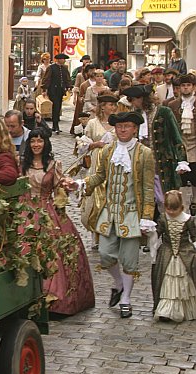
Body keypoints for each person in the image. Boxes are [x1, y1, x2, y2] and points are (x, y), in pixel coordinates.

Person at [65, 111, 156, 319]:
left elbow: (148, 188)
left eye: (127, 126)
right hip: (109, 213)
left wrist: (147, 216)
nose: (123, 130)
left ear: (135, 129)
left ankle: (126, 299)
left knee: (129, 260)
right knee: (105, 254)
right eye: (119, 126)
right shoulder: (108, 151)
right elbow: (99, 176)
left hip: (132, 213)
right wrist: (82, 183)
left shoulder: (145, 154)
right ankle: (118, 285)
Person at [21, 128, 95, 315]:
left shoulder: (53, 165)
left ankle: (53, 297)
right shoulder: (21, 164)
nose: (36, 144)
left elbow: (60, 185)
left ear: (45, 143)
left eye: (40, 141)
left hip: (48, 212)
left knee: (53, 253)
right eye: (33, 141)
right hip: (26, 213)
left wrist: (68, 185)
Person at [124, 84, 189, 210]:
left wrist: (181, 160)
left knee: (165, 200)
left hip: (163, 165)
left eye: (132, 99)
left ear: (141, 98)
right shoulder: (135, 115)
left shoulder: (164, 112)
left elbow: (176, 138)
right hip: (141, 165)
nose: (131, 103)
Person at [76, 92, 118, 245]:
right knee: (95, 196)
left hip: (113, 162)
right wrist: (95, 144)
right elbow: (82, 144)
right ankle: (95, 233)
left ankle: (109, 232)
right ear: (102, 107)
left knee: (110, 196)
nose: (113, 108)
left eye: (114, 105)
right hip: (96, 162)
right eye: (110, 105)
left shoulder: (117, 123)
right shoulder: (93, 123)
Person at [149, 190, 196, 322]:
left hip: (185, 253)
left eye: (174, 210)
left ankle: (183, 308)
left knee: (185, 281)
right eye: (168, 209)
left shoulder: (188, 220)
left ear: (181, 207)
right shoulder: (163, 218)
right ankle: (166, 310)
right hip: (167, 252)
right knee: (166, 280)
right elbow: (158, 233)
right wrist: (151, 233)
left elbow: (194, 236)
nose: (171, 212)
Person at [168, 73, 196, 214]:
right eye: (183, 86)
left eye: (188, 85)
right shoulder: (172, 105)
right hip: (179, 149)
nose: (185, 88)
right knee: (181, 183)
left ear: (193, 87)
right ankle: (182, 209)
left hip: (195, 148)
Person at [41, 53, 71, 133]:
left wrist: (68, 86)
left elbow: (67, 78)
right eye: (63, 59)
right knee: (56, 106)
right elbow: (46, 78)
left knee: (58, 107)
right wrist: (44, 89)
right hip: (53, 90)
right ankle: (55, 125)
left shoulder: (64, 68)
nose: (64, 61)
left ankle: (55, 125)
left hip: (60, 90)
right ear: (58, 59)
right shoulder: (51, 68)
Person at [71, 64, 97, 134]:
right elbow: (78, 91)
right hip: (85, 103)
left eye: (94, 70)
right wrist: (78, 99)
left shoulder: (101, 83)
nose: (93, 72)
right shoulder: (83, 82)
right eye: (91, 70)